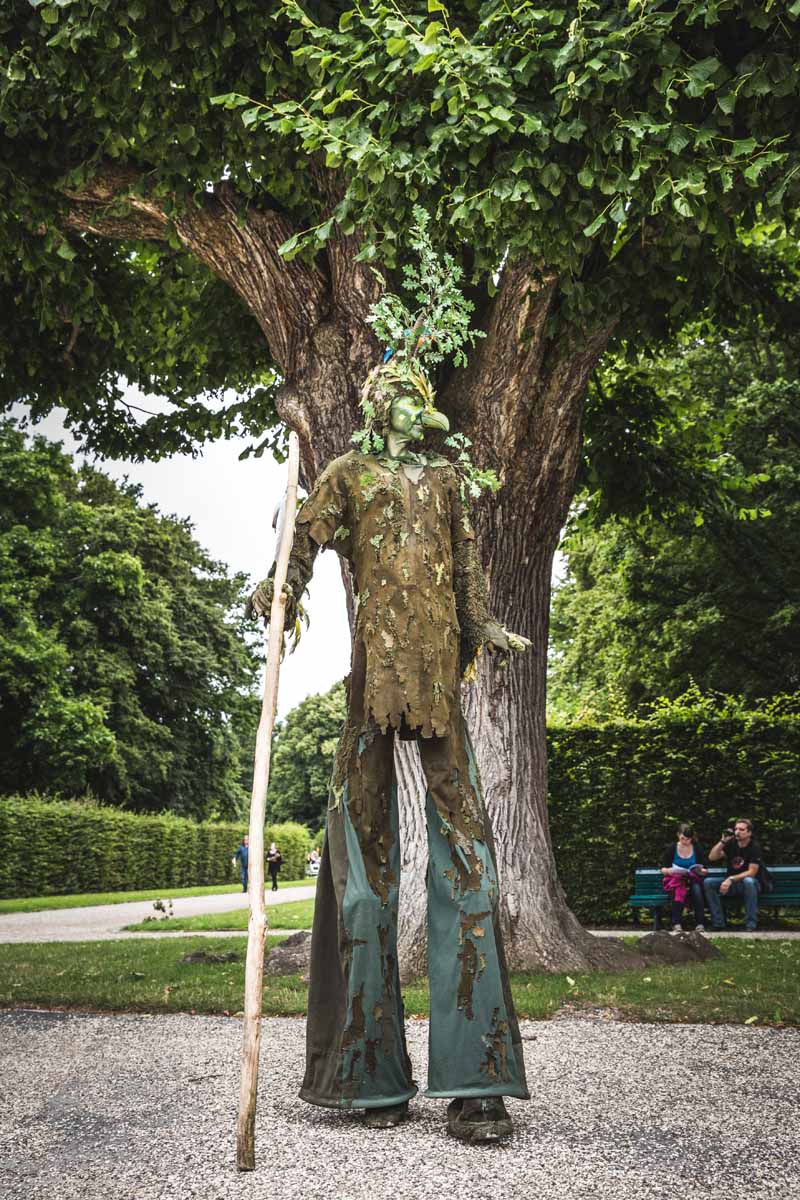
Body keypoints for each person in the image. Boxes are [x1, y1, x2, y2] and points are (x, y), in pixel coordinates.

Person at [249, 350, 531, 1142]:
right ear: (379, 407)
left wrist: (482, 624)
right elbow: (300, 543)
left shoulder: (445, 480)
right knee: (362, 877)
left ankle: (478, 1085)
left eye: (419, 396)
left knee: (470, 865)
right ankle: (368, 1072)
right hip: (372, 689)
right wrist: (278, 591)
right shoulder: (345, 472)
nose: (414, 406)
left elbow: (468, 561)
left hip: (440, 686)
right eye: (401, 397)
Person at [704, 818, 763, 932]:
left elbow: (752, 872)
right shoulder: (731, 843)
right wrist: (723, 841)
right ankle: (718, 923)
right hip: (732, 885)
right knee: (708, 882)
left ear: (749, 833)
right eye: (736, 829)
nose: (737, 832)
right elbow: (712, 857)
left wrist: (731, 879)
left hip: (750, 886)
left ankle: (750, 924)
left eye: (741, 829)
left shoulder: (754, 847)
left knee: (748, 881)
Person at [660, 823, 709, 932]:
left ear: (691, 838)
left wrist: (701, 871)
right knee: (677, 889)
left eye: (688, 839)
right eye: (683, 838)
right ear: (678, 835)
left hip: (694, 878)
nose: (685, 841)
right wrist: (669, 871)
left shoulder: (697, 847)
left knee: (697, 890)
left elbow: (705, 869)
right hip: (676, 879)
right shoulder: (672, 848)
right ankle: (676, 923)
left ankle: (700, 923)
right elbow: (663, 868)